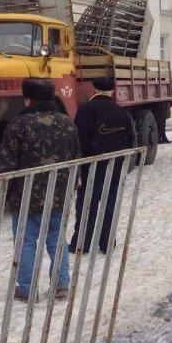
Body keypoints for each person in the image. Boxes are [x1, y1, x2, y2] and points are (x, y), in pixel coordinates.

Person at [0, 78, 80, 302]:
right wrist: (71, 188)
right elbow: (76, 158)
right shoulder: (67, 123)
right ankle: (61, 284)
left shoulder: (18, 124)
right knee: (56, 238)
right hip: (58, 194)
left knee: (26, 241)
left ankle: (27, 288)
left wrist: (0, 193)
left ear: (27, 98)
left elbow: (7, 164)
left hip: (26, 196)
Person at [70, 78, 136, 254]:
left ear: (94, 89)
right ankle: (107, 242)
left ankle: (82, 243)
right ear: (112, 92)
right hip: (114, 166)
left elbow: (80, 141)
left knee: (87, 204)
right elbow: (130, 141)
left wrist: (78, 168)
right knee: (110, 203)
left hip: (91, 166)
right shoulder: (123, 113)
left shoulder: (86, 110)